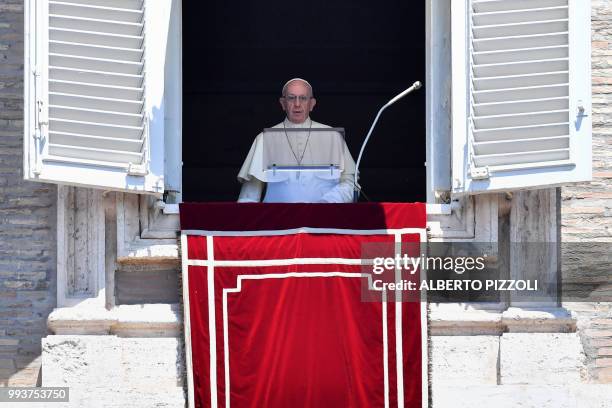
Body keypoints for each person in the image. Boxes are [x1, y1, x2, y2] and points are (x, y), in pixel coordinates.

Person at [237, 78, 356, 203]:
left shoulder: (333, 136)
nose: (297, 104)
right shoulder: (264, 139)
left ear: (312, 104)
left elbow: (350, 183)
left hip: (322, 220)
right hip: (278, 220)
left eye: (303, 98)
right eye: (291, 98)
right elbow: (249, 195)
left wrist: (329, 201)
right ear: (283, 103)